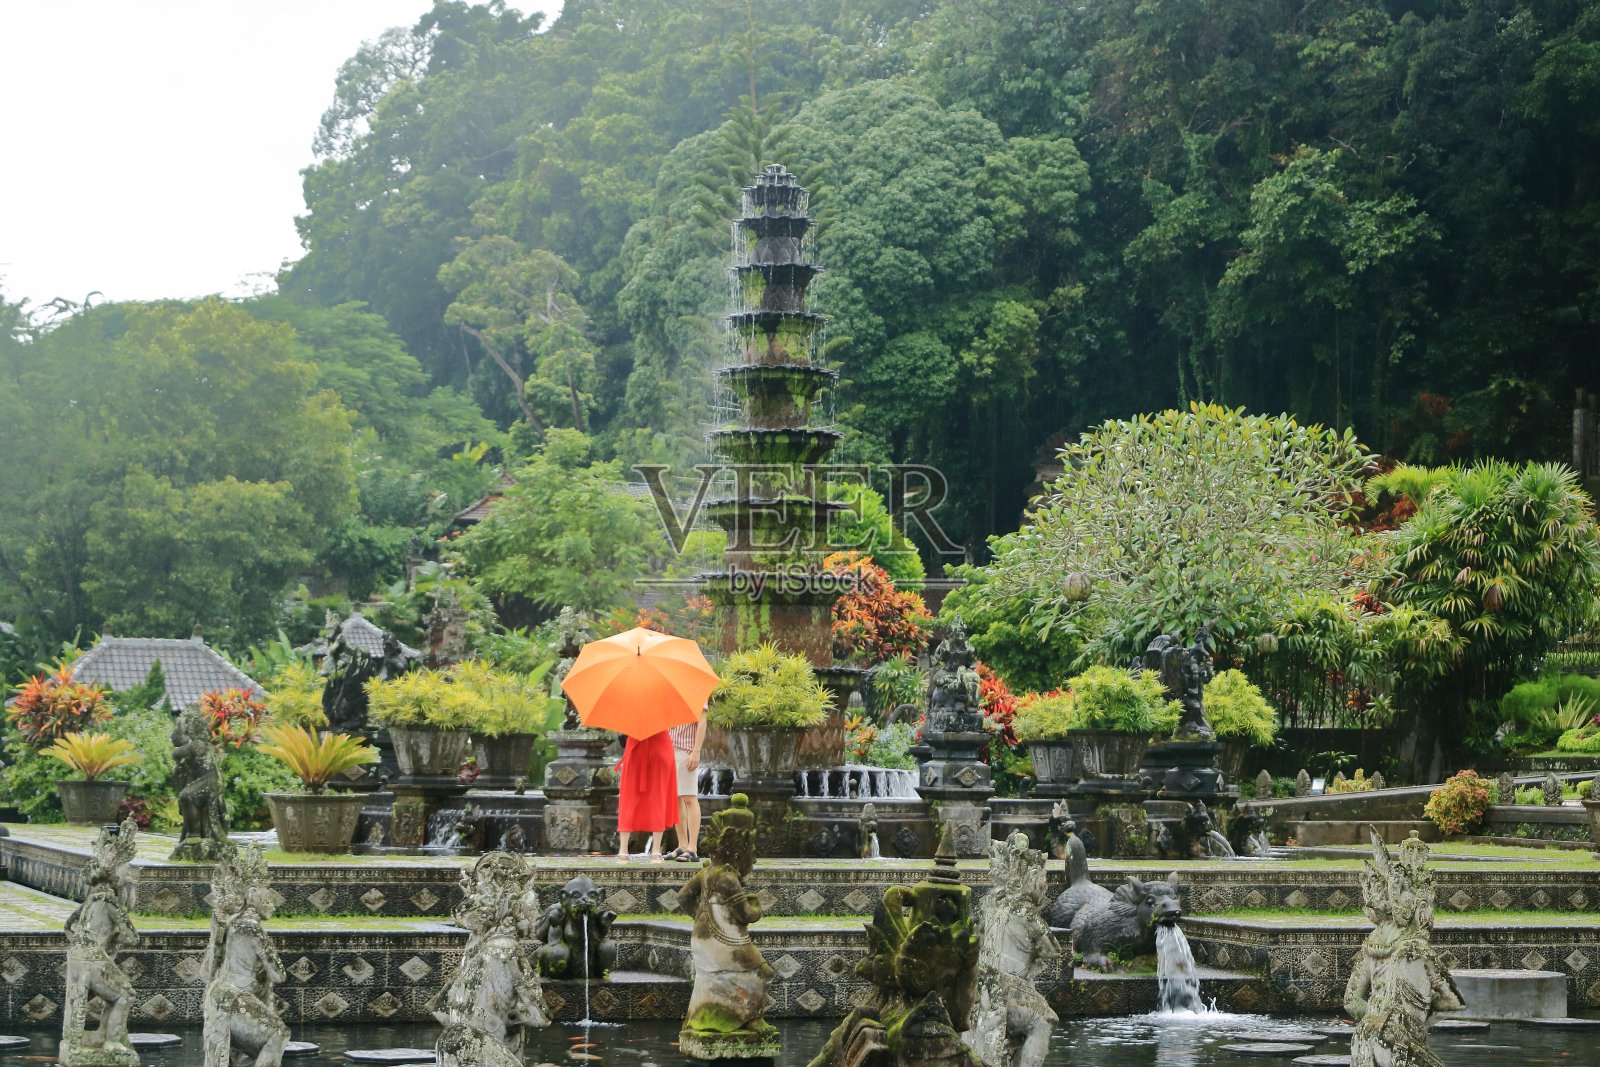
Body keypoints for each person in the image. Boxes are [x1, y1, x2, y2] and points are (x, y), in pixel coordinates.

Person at [615, 729, 677, 861]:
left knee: (629, 798)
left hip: (636, 747)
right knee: (658, 797)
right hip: (661, 747)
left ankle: (623, 851)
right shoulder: (665, 708)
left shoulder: (631, 708)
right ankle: (655, 851)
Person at [665, 705, 707, 862]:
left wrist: (696, 751)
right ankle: (682, 844)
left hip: (687, 749)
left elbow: (702, 723)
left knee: (689, 797)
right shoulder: (671, 695)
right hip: (669, 748)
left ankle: (692, 848)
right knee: (676, 799)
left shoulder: (696, 693)